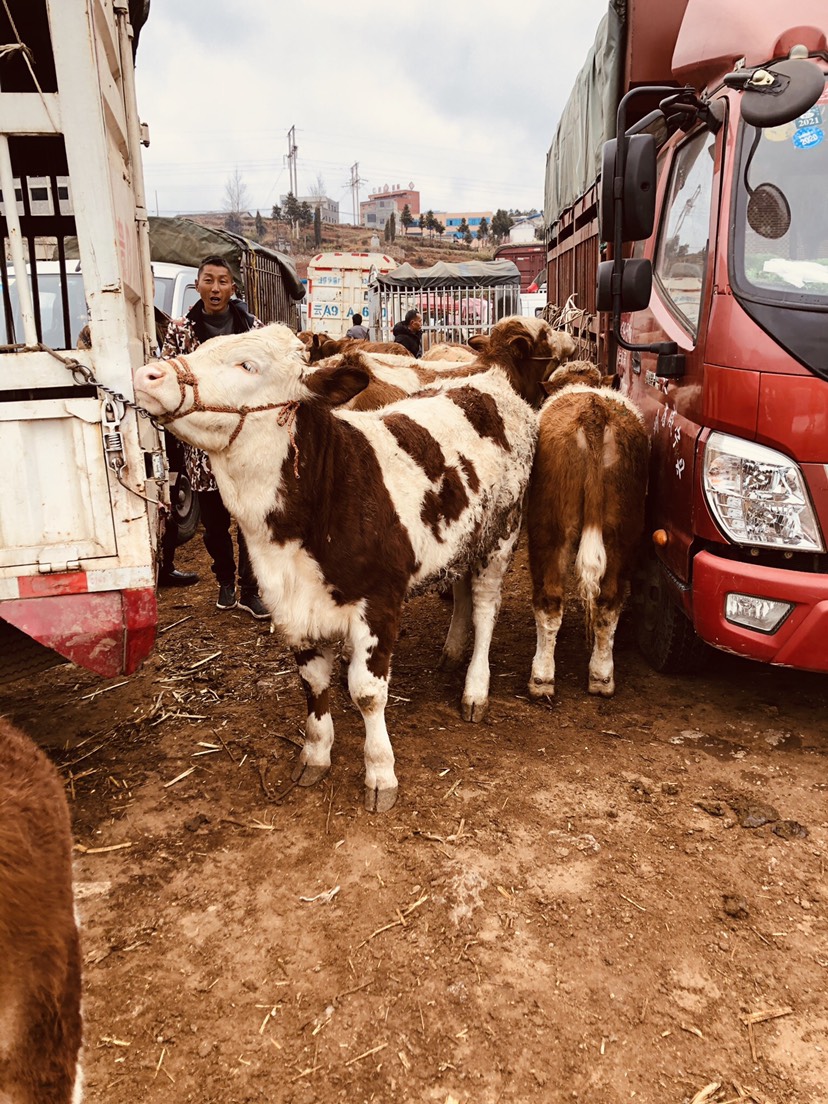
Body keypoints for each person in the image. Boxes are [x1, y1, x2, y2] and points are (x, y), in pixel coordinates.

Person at [161, 255, 269, 619]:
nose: (216, 288)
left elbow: (266, 377)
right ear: (199, 285)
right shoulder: (181, 331)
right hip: (204, 446)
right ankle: (225, 581)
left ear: (232, 288)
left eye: (223, 281)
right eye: (209, 280)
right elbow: (169, 380)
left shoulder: (252, 327)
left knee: (251, 520)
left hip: (246, 443)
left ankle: (250, 589)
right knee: (215, 525)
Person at [77, 300, 199, 588]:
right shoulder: (94, 334)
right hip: (124, 425)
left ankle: (165, 564)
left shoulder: (165, 325)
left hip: (164, 426)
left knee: (166, 491)